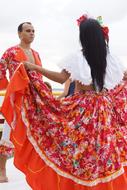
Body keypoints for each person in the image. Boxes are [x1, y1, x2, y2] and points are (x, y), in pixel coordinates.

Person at [1, 15, 127, 190]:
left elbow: (61, 78)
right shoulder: (109, 58)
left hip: (84, 108)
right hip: (104, 108)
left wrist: (35, 68)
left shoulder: (79, 57)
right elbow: (121, 77)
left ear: (84, 37)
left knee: (78, 150)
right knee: (100, 150)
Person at [0, 22, 42, 183]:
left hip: (35, 100)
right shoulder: (11, 52)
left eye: (33, 30)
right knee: (7, 134)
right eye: (28, 30)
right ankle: (2, 171)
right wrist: (11, 87)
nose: (31, 33)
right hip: (16, 99)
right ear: (19, 34)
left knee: (38, 135)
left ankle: (36, 170)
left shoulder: (36, 53)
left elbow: (39, 76)